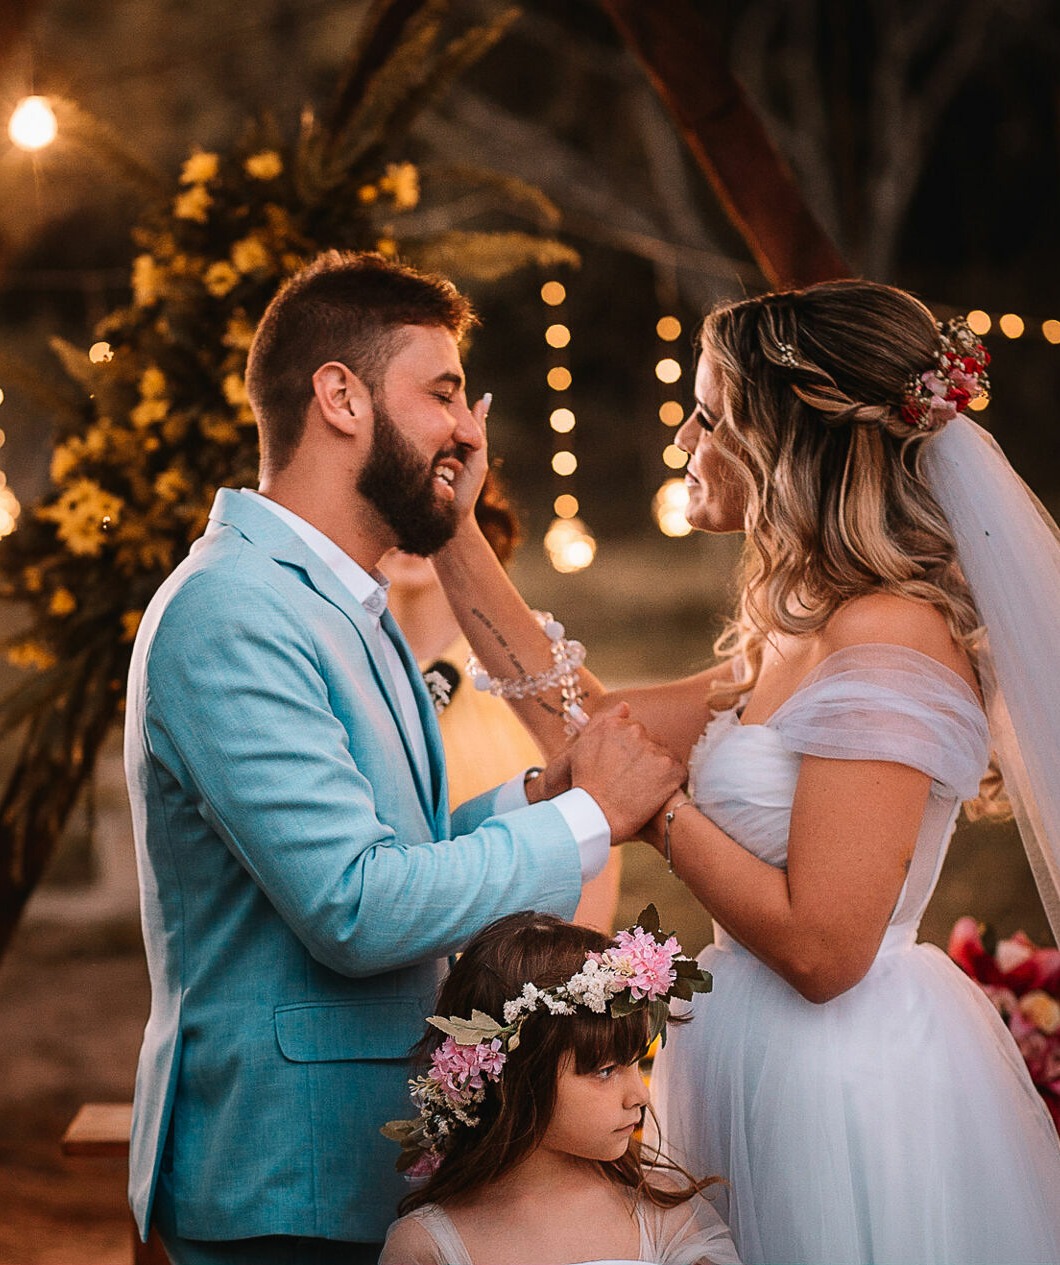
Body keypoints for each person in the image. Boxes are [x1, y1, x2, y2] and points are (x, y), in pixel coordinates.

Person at [431, 280, 1060, 1264]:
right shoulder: (800, 628)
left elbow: (826, 950)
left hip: (840, 1087)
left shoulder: (891, 634)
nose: (684, 439)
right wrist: (454, 532)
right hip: (745, 1055)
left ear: (790, 443)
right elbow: (593, 729)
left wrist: (659, 816)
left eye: (711, 417)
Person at [123, 251, 686, 1265]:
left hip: (364, 1167)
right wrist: (589, 818)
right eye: (444, 393)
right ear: (340, 397)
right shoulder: (232, 610)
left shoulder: (347, 600)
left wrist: (539, 793)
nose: (470, 431)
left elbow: (400, 843)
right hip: (286, 1182)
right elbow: (355, 903)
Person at [379, 910, 737, 1265]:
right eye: (605, 1071)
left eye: (635, 1063)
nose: (640, 1096)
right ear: (515, 1078)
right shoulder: (428, 1247)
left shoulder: (665, 1214)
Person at [381, 476, 623, 933]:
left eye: (430, 504)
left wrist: (573, 966)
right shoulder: (336, 669)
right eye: (394, 504)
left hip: (518, 960)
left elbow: (597, 824)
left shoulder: (535, 677)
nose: (410, 525)